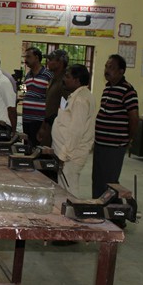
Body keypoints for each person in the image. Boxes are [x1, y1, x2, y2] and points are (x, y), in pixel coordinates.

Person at [92, 54, 139, 199]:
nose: (107, 70)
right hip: (100, 142)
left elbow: (134, 118)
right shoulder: (107, 88)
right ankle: (97, 206)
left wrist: (129, 139)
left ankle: (111, 210)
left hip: (115, 144)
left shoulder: (128, 90)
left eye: (111, 67)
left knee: (110, 181)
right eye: (106, 67)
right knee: (97, 178)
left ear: (121, 71)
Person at [51, 64, 96, 198]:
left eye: (67, 76)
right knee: (64, 187)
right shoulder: (77, 96)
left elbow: (76, 131)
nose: (64, 79)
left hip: (71, 155)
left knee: (69, 189)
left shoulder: (81, 99)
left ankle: (71, 209)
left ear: (77, 80)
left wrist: (63, 155)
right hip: (68, 153)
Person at [38, 49, 70, 146]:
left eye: (51, 60)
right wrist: (43, 126)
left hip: (57, 126)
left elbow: (65, 106)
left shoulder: (65, 81)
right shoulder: (53, 79)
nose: (48, 62)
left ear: (60, 62)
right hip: (49, 124)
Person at [22, 47, 53, 147]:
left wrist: (44, 124)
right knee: (27, 147)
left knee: (37, 148)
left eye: (28, 57)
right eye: (25, 57)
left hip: (39, 120)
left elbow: (50, 98)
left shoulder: (48, 75)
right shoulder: (28, 75)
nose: (25, 60)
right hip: (26, 118)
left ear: (36, 58)